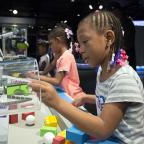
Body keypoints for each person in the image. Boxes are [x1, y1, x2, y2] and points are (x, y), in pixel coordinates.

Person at [29, 11, 144, 143]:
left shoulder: (123, 78)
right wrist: (87, 97)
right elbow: (110, 99)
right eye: (79, 44)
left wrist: (57, 102)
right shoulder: (102, 70)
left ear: (109, 38)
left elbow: (103, 128)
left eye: (85, 42)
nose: (80, 50)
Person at [29, 25, 85, 99]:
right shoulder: (60, 55)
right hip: (66, 92)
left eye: (51, 43)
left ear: (58, 41)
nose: (50, 47)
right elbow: (52, 64)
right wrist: (41, 73)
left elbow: (57, 81)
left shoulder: (66, 56)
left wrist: (35, 76)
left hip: (71, 95)